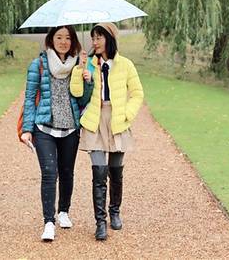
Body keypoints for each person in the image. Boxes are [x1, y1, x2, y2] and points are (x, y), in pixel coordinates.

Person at [70, 22, 144, 241]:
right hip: (95, 120)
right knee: (99, 172)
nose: (95, 42)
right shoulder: (89, 64)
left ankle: (115, 211)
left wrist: (127, 115)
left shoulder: (125, 65)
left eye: (99, 37)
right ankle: (100, 222)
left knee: (116, 170)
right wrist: (80, 71)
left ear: (109, 39)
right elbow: (76, 93)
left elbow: (137, 93)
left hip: (117, 120)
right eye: (93, 38)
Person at [21, 25, 93, 242]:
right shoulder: (38, 64)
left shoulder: (78, 65)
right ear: (51, 40)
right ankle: (49, 222)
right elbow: (29, 97)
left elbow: (83, 99)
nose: (63, 42)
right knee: (49, 173)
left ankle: (63, 211)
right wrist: (27, 129)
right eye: (59, 37)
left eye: (68, 38)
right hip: (44, 127)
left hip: (70, 127)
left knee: (67, 172)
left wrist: (87, 80)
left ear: (73, 41)